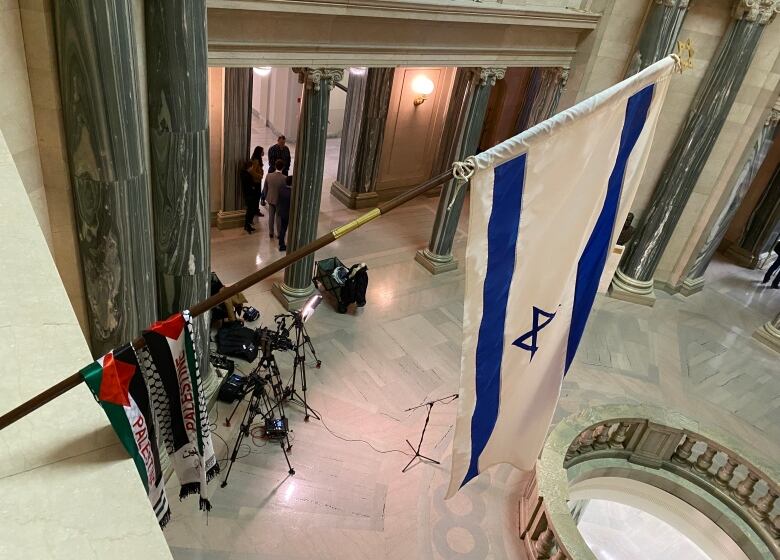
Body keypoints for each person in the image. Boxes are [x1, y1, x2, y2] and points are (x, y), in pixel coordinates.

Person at [263, 159, 287, 239]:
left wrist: (266, 196)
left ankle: (271, 232)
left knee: (271, 217)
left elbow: (265, 187)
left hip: (270, 198)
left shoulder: (269, 175)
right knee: (278, 217)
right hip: (279, 200)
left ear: (275, 166)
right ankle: (279, 233)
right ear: (283, 167)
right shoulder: (284, 178)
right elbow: (285, 190)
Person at [240, 160, 258, 234]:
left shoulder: (243, 173)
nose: (252, 168)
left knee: (250, 210)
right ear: (249, 167)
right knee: (250, 211)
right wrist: (253, 187)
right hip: (250, 194)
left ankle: (247, 225)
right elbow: (252, 185)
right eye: (251, 166)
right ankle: (247, 226)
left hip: (247, 194)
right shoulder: (247, 175)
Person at [276, 175, 292, 251]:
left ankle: (281, 243)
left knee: (283, 228)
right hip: (289, 213)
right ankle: (284, 245)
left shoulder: (281, 189)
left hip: (282, 212)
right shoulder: (292, 193)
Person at [249, 146, 265, 218]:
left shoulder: (258, 159)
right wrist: (259, 176)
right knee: (256, 196)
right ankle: (255, 211)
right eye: (262, 151)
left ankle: (256, 210)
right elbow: (251, 171)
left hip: (257, 181)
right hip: (256, 181)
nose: (263, 152)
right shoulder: (256, 161)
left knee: (257, 196)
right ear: (259, 152)